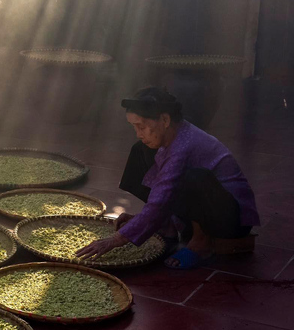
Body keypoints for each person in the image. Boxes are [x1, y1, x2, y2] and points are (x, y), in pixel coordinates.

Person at [76, 87, 259, 269]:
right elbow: (162, 190)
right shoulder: (172, 135)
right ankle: (167, 226)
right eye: (134, 127)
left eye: (142, 126)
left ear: (164, 119)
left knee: (194, 176)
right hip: (200, 209)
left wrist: (116, 239)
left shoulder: (183, 146)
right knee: (140, 150)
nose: (139, 134)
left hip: (230, 218)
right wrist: (148, 221)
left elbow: (161, 198)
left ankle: (201, 242)